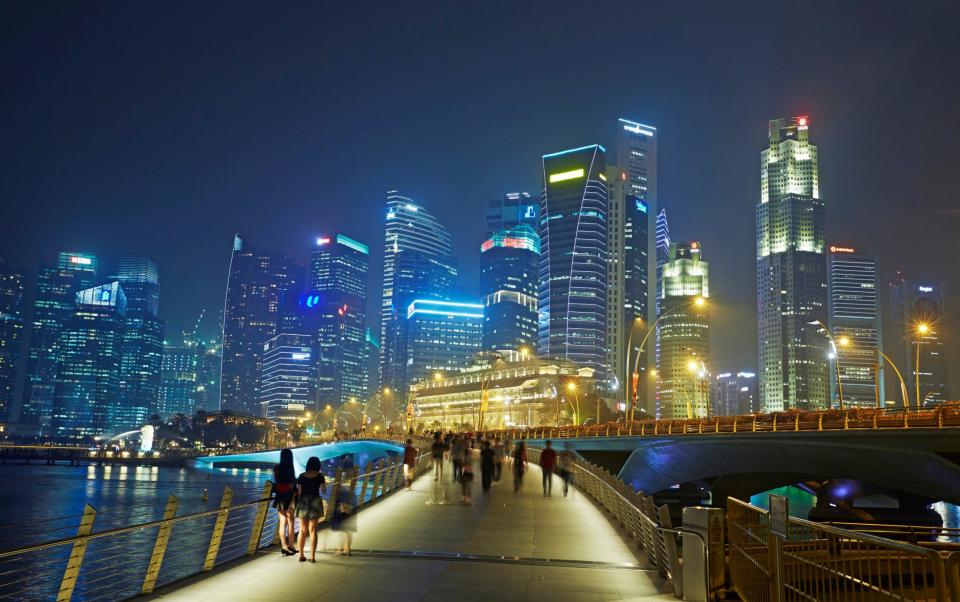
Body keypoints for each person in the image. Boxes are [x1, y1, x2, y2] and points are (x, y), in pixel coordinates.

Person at [294, 456, 326, 562]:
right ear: (318, 466)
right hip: (315, 502)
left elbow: (299, 493)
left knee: (302, 530)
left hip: (303, 502)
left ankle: (301, 555)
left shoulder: (301, 476)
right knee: (313, 531)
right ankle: (312, 556)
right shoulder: (320, 477)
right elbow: (323, 491)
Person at [271, 448, 298, 556]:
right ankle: (291, 545)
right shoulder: (290, 469)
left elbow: (277, 481)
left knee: (282, 523)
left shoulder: (277, 468)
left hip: (280, 498)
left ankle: (284, 546)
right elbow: (293, 484)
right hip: (290, 498)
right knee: (291, 522)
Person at [330, 481, 357, 555]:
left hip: (343, 510)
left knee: (342, 530)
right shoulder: (350, 489)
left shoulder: (339, 487)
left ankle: (341, 549)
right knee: (348, 530)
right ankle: (347, 549)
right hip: (351, 508)